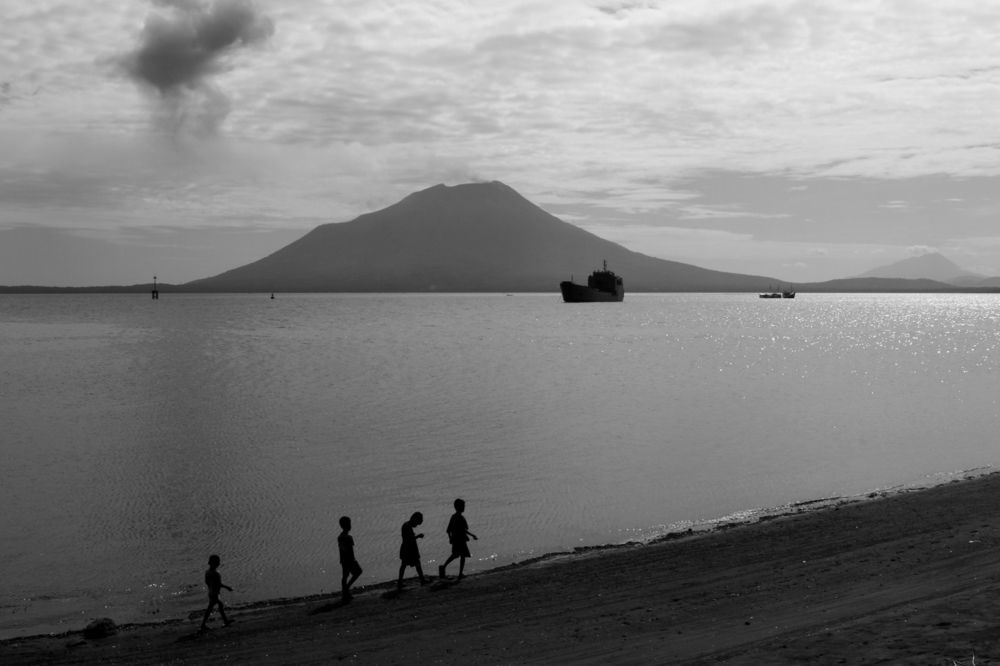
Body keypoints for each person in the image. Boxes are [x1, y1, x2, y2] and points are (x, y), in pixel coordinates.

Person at [439, 498, 478, 580]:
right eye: (463, 506)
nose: (464, 507)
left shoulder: (453, 517)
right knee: (462, 556)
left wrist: (450, 538)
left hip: (455, 539)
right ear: (460, 507)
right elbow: (464, 529)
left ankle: (444, 566)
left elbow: (448, 530)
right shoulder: (461, 518)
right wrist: (472, 535)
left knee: (455, 555)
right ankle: (460, 573)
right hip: (461, 540)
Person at [199, 554, 233, 631]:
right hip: (215, 593)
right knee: (211, 608)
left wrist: (211, 587)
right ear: (216, 563)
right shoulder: (216, 574)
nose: (219, 563)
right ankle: (203, 625)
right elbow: (219, 584)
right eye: (218, 562)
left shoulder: (207, 572)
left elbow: (206, 582)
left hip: (210, 592)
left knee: (219, 606)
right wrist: (227, 587)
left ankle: (225, 621)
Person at [397, 511, 427, 589]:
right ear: (414, 520)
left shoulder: (406, 525)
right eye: (417, 523)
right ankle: (422, 580)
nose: (416, 525)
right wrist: (418, 536)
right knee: (411, 565)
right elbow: (409, 539)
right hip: (408, 549)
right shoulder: (407, 527)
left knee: (407, 565)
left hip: (407, 548)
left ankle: (400, 582)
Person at [338, 516, 363, 602]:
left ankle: (345, 593)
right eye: (349, 524)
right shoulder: (348, 537)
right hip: (350, 560)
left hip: (343, 560)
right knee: (358, 572)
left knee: (345, 576)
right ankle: (346, 589)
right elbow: (350, 550)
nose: (350, 525)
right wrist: (353, 560)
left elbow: (342, 549)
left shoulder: (340, 537)